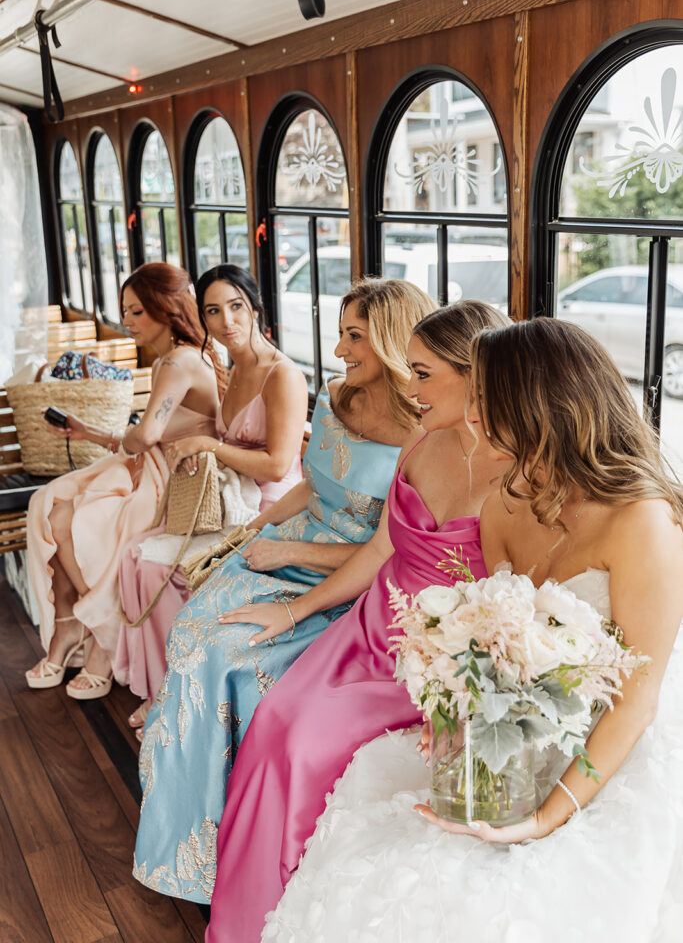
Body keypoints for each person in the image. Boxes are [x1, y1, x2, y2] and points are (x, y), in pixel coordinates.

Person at [261, 318, 683, 943]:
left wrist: (544, 818)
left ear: (540, 406)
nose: (474, 414)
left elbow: (637, 697)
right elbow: (486, 631)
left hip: (606, 739)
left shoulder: (643, 523)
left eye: (488, 400)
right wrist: (454, 715)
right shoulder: (510, 499)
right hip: (508, 723)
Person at [203, 300, 512, 941]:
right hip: (369, 624)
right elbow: (380, 551)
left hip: (431, 654)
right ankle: (245, 920)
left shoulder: (518, 475)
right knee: (273, 722)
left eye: (424, 374)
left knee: (298, 743)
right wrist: (294, 608)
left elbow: (511, 606)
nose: (411, 386)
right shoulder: (423, 443)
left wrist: (457, 699)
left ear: (472, 372)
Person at [132, 278, 436, 904]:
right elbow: (309, 485)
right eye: (342, 331)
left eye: (356, 335)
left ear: (390, 339)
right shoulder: (334, 397)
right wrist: (254, 531)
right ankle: (182, 832)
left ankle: (228, 848)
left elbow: (386, 552)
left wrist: (286, 553)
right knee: (191, 632)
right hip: (285, 542)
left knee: (230, 659)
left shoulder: (421, 437)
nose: (340, 347)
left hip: (341, 581)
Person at [114, 265, 308, 733]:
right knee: (136, 555)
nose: (226, 322)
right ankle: (165, 683)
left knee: (169, 569)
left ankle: (181, 693)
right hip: (229, 498)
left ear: (256, 308)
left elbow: (280, 465)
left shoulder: (281, 376)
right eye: (213, 312)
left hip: (271, 508)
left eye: (236, 307)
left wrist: (209, 446)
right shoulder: (235, 367)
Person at [25, 263, 222, 700]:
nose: (126, 321)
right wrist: (86, 432)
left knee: (68, 522)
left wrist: (126, 439)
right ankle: (75, 627)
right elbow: (144, 436)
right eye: (124, 311)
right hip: (150, 464)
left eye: (136, 311)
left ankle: (96, 632)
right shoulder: (172, 359)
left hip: (175, 478)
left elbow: (148, 435)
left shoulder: (179, 361)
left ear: (165, 309)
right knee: (53, 508)